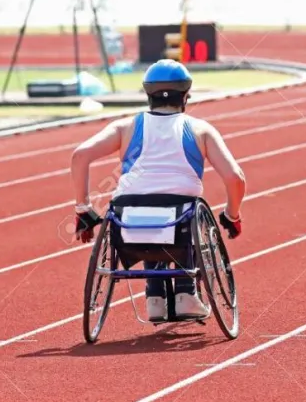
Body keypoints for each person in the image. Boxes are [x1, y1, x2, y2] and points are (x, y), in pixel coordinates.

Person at [70, 60, 246, 322]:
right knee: (183, 212)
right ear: (186, 95)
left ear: (147, 93)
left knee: (150, 210)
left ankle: (155, 298)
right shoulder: (201, 129)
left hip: (128, 221)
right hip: (182, 218)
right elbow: (235, 177)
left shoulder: (126, 127)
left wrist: (83, 210)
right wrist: (232, 215)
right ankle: (186, 293)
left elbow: (80, 156)